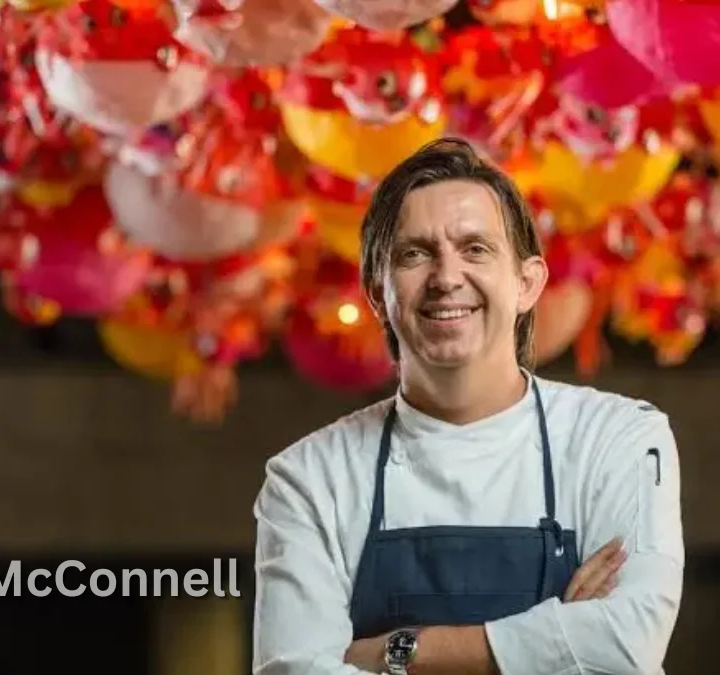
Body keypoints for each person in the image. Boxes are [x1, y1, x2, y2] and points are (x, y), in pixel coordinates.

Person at [252, 138, 684, 675]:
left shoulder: (618, 438)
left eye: (475, 249)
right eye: (414, 254)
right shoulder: (310, 478)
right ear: (377, 293)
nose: (446, 278)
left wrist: (394, 652)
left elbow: (628, 641)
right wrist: (560, 637)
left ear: (527, 283)